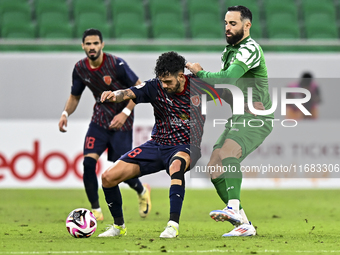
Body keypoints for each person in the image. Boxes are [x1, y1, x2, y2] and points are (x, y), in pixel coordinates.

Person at [186, 5, 273, 237]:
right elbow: (226, 89)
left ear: (247, 25)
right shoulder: (229, 53)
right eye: (225, 23)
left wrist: (200, 73)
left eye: (233, 23)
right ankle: (244, 224)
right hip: (241, 114)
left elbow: (225, 78)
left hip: (258, 116)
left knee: (228, 154)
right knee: (214, 167)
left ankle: (233, 207)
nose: (227, 27)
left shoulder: (250, 49)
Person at [58, 28, 151, 221]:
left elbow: (141, 88)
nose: (92, 47)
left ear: (102, 45)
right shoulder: (80, 68)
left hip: (122, 124)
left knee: (122, 172)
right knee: (88, 163)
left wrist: (125, 113)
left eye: (95, 43)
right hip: (99, 121)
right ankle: (95, 211)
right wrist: (66, 113)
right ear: (83, 46)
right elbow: (75, 97)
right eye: (88, 44)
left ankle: (142, 191)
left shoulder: (116, 64)